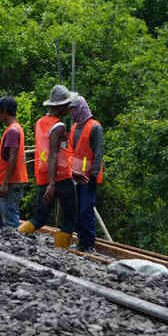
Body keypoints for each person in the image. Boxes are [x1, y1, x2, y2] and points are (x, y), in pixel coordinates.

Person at [19, 85, 79, 248]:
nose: (69, 108)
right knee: (69, 219)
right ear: (59, 107)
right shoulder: (58, 127)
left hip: (43, 175)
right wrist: (52, 184)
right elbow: (53, 154)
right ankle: (61, 253)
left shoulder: (40, 123)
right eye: (67, 105)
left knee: (39, 218)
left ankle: (16, 236)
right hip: (60, 178)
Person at [67, 95, 105, 253]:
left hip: (88, 178)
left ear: (80, 108)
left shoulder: (95, 127)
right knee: (77, 210)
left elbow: (98, 153)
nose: (71, 112)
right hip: (75, 176)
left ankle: (88, 243)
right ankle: (81, 241)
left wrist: (94, 176)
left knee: (86, 210)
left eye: (73, 109)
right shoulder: (75, 127)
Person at [0, 96, 28, 231]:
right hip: (7, 181)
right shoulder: (15, 129)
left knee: (10, 220)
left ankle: (13, 249)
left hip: (10, 182)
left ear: (5, 111)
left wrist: (5, 184)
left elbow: (12, 158)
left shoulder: (12, 131)